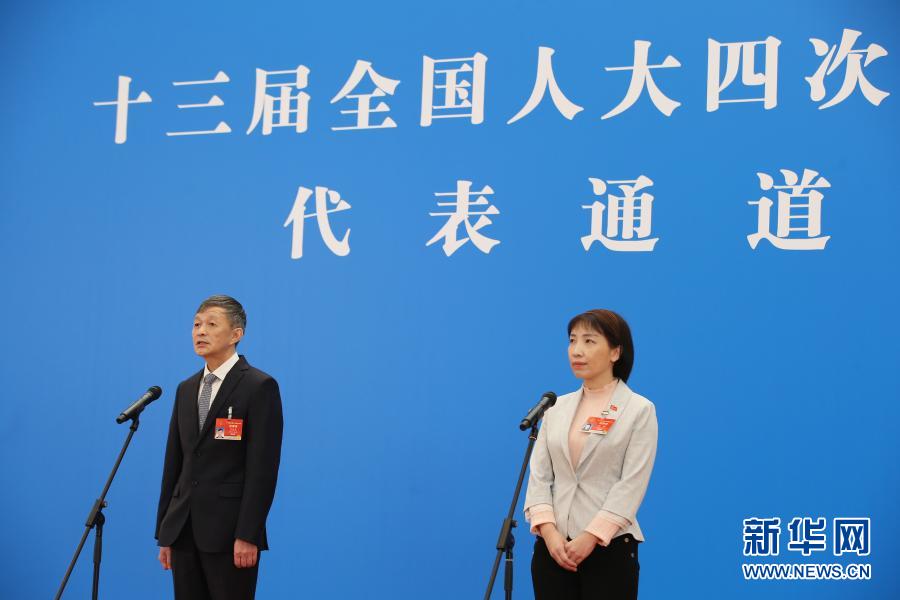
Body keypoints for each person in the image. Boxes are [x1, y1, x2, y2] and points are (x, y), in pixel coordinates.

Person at [156, 295, 284, 600]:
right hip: (183, 530)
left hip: (230, 534)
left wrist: (248, 534)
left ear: (236, 334)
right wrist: (165, 531)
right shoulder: (186, 389)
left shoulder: (258, 386)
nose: (200, 331)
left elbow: (262, 470)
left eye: (212, 324)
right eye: (196, 324)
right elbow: (174, 463)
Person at [524, 309, 658, 599]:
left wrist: (590, 536)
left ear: (615, 352)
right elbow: (539, 477)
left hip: (609, 548)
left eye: (589, 341)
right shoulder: (555, 408)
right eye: (572, 340)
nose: (577, 350)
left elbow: (631, 484)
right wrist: (549, 533)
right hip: (553, 550)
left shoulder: (639, 410)